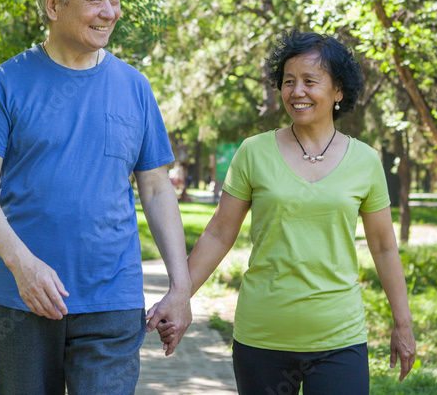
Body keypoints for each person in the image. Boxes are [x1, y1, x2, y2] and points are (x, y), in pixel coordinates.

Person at [0, 0, 192, 395]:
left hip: (112, 298)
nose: (110, 12)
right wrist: (22, 267)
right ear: (53, 4)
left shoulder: (134, 87)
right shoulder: (6, 83)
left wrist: (180, 288)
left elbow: (158, 190)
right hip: (21, 298)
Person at [164, 30, 416, 394]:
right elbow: (219, 233)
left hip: (339, 338)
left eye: (310, 81)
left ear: (338, 91)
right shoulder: (254, 152)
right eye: (288, 82)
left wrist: (402, 324)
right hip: (262, 337)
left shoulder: (365, 161)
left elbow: (384, 247)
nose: (297, 92)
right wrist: (179, 296)